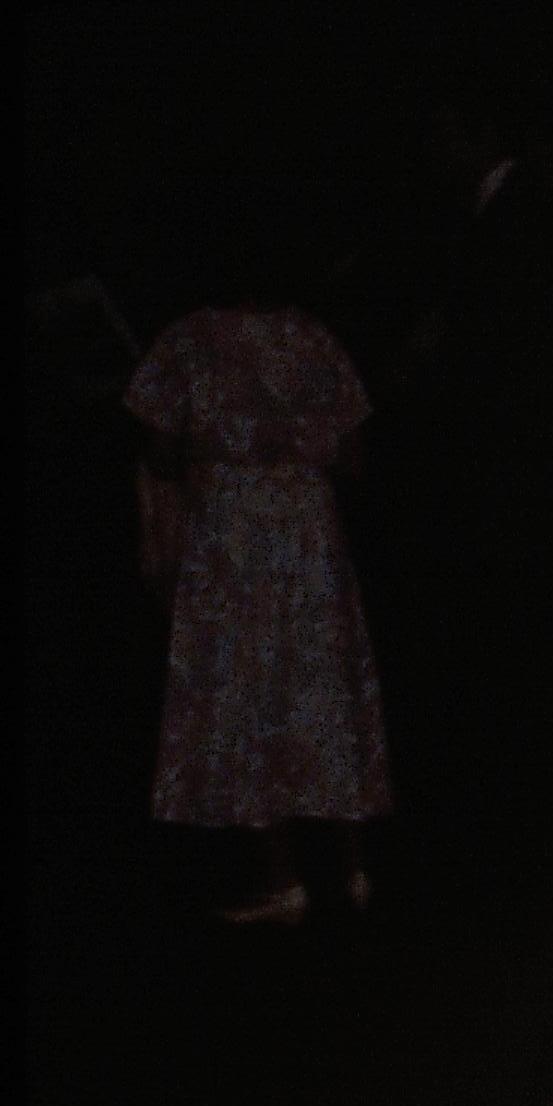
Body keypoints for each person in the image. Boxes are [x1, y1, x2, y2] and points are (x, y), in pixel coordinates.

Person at [125, 202, 390, 922]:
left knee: (245, 697)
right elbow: (355, 455)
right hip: (306, 534)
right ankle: (354, 865)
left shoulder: (190, 341)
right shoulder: (312, 339)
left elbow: (160, 449)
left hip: (232, 538)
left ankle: (281, 876)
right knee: (321, 690)